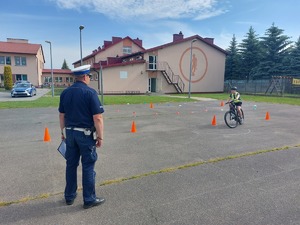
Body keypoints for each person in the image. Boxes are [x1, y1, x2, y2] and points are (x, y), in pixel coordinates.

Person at [58, 64, 105, 209]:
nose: (89, 78)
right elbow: (97, 118)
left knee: (71, 165)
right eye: (89, 76)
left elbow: (62, 115)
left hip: (70, 133)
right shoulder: (90, 93)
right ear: (85, 77)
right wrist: (100, 137)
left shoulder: (65, 93)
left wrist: (62, 132)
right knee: (88, 166)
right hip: (85, 134)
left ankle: (69, 196)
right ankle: (89, 199)